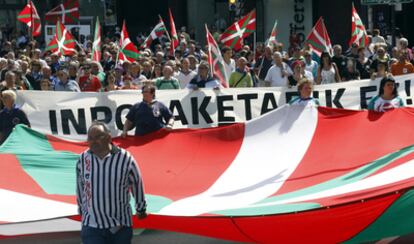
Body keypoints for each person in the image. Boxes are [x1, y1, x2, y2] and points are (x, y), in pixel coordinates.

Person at [76, 121, 147, 244]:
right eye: (90, 138)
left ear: (109, 138)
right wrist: (81, 208)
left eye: (98, 137)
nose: (94, 141)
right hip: (92, 225)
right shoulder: (83, 158)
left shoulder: (125, 158)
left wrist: (140, 208)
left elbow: (136, 182)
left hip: (120, 226)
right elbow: (80, 186)